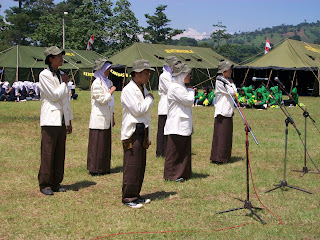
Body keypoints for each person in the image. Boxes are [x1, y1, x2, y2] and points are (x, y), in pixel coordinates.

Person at [38, 46, 74, 196]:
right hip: (50, 118)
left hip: (61, 118)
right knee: (48, 152)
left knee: (60, 152)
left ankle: (56, 182)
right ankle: (45, 184)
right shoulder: (44, 75)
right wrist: (64, 84)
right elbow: (54, 95)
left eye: (61, 55)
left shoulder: (62, 74)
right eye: (58, 56)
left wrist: (69, 119)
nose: (61, 58)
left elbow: (66, 100)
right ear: (51, 59)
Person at [120, 59, 155, 208]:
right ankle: (128, 197)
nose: (148, 76)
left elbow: (145, 114)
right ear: (137, 73)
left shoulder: (142, 88)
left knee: (140, 165)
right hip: (133, 132)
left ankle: (136, 194)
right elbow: (139, 110)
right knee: (132, 165)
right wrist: (150, 99)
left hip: (142, 130)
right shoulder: (128, 90)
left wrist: (149, 134)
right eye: (146, 73)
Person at [164, 63, 194, 182]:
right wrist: (191, 91)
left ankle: (182, 173)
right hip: (176, 122)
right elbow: (188, 100)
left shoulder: (181, 86)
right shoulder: (175, 87)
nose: (189, 76)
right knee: (175, 150)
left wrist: (189, 90)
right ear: (181, 74)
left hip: (183, 122)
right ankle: (172, 175)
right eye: (188, 74)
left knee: (183, 149)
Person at [87, 59, 116, 176]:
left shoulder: (107, 82)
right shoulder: (96, 84)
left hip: (107, 117)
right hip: (98, 117)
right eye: (107, 69)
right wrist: (111, 91)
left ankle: (104, 167)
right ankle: (95, 168)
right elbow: (102, 100)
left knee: (105, 143)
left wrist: (112, 115)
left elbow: (111, 102)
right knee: (97, 143)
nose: (109, 71)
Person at [210, 60, 237, 164]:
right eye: (229, 69)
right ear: (224, 70)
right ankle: (219, 157)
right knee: (221, 135)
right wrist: (232, 85)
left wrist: (231, 84)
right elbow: (233, 92)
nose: (230, 71)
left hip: (228, 110)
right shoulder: (220, 81)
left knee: (226, 135)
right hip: (222, 111)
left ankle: (224, 156)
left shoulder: (226, 80)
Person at [156, 56, 179, 158]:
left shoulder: (172, 76)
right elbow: (171, 89)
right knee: (162, 130)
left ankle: (168, 150)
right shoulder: (164, 76)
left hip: (171, 106)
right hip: (165, 106)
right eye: (175, 65)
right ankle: (161, 151)